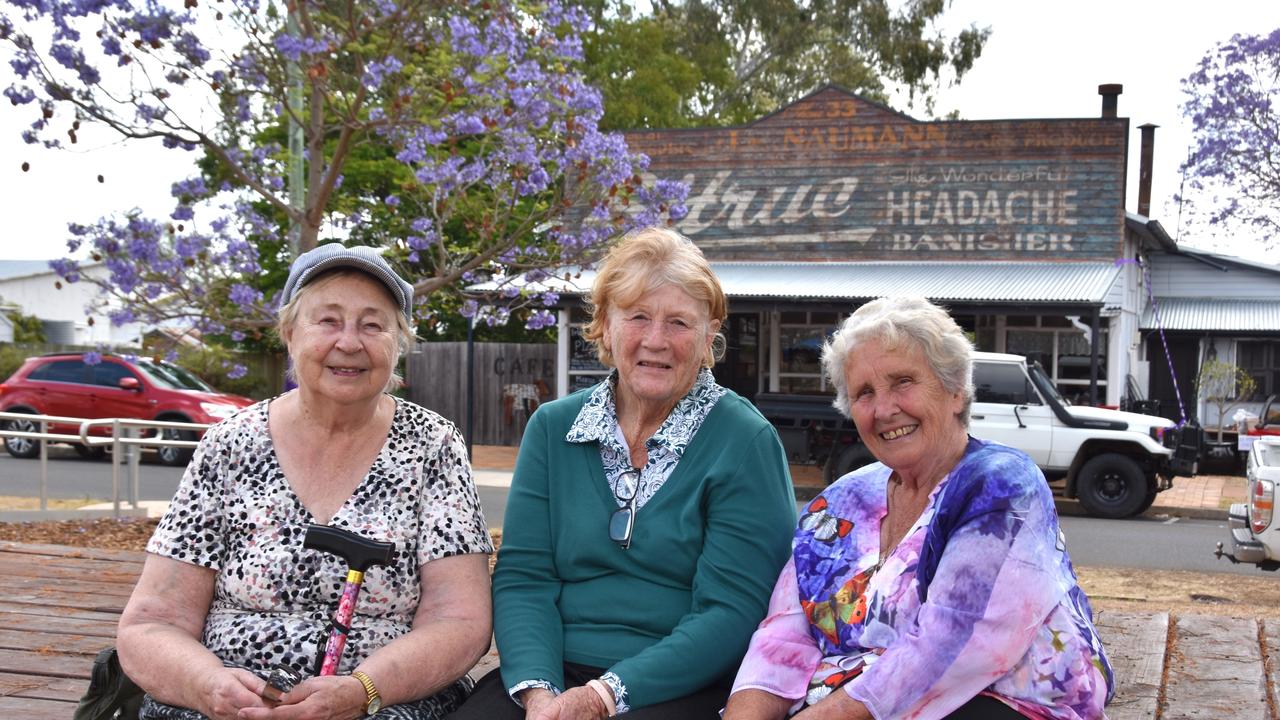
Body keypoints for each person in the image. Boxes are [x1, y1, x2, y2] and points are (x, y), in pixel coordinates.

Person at [117, 243, 494, 720]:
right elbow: (153, 622)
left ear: (399, 344)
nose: (350, 342)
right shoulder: (229, 445)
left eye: (373, 325)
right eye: (328, 321)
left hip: (380, 701)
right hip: (225, 701)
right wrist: (208, 686)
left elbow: (459, 621)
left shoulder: (433, 447)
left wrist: (362, 691)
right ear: (290, 334)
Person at [446, 227, 796, 720]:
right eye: (637, 317)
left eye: (679, 322)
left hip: (680, 682)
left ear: (707, 336)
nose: (656, 340)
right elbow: (525, 578)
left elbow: (732, 612)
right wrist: (540, 695)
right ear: (605, 326)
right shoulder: (552, 428)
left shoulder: (745, 441)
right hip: (553, 671)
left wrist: (601, 697)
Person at [723, 296, 1113, 720]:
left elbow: (947, 645)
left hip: (1001, 700)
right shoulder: (840, 500)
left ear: (955, 391)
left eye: (903, 381)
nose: (885, 409)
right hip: (851, 701)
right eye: (864, 393)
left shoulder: (998, 485)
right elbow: (783, 634)